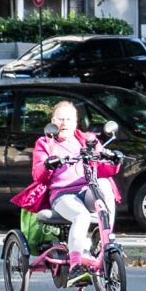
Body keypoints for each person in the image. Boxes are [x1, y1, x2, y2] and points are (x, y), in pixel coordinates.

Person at [31, 99, 113, 279]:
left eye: (68, 119)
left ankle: (107, 241)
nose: (64, 123)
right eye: (60, 119)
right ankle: (76, 264)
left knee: (106, 185)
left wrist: (113, 160)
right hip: (62, 194)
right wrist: (48, 164)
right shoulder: (45, 143)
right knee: (81, 215)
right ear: (52, 121)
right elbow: (37, 174)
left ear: (76, 122)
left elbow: (105, 168)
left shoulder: (87, 140)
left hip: (86, 190)